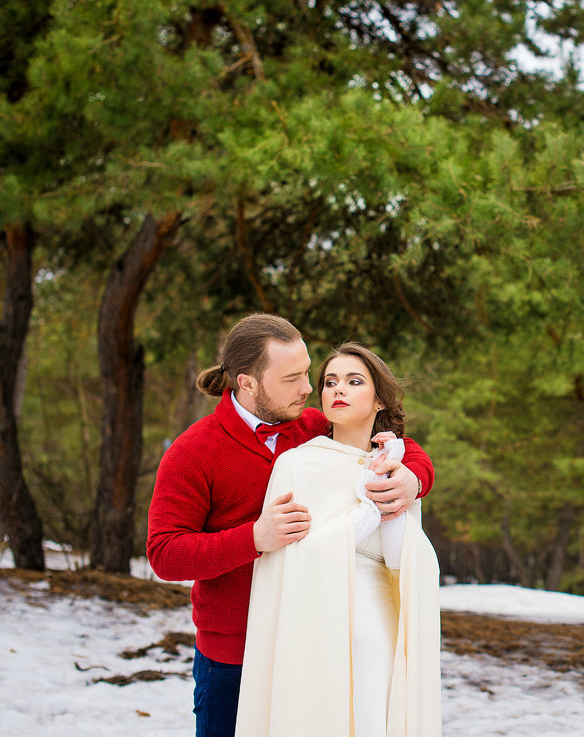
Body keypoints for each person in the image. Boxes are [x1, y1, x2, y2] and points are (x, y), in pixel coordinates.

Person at [146, 315, 435, 737]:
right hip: (236, 652)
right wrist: (254, 538)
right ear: (247, 383)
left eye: (307, 371)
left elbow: (392, 442)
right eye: (292, 378)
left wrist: (415, 477)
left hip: (312, 635)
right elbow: (165, 553)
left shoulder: (311, 426)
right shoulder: (192, 453)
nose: (308, 389)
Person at [234, 342, 441, 737]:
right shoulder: (296, 464)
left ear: (379, 399)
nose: (338, 390)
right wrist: (365, 511)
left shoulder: (395, 467)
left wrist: (389, 487)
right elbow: (290, 563)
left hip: (379, 627)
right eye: (330, 382)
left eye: (353, 381)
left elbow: (404, 564)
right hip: (314, 628)